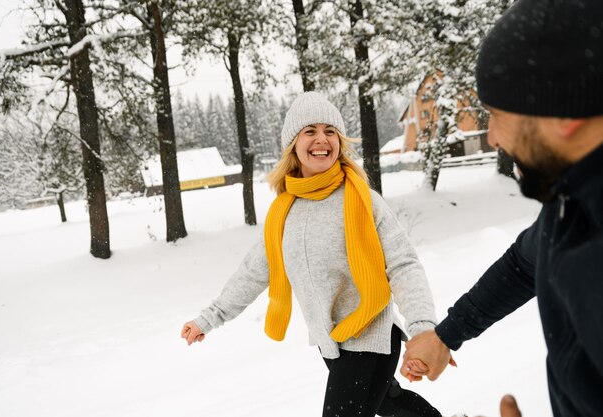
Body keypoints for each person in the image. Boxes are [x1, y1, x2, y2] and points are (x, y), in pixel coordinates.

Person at [182, 91, 442, 417]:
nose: (322, 139)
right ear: (294, 143)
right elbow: (253, 272)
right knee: (389, 401)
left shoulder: (362, 200)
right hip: (331, 343)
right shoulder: (284, 211)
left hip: (371, 337)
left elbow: (404, 265)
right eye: (310, 131)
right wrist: (209, 318)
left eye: (330, 131)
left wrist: (423, 329)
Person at [400, 0, 603, 416]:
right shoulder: (569, 203)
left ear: (563, 113)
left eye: (497, 114)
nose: (492, 137)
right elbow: (524, 263)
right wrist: (446, 335)